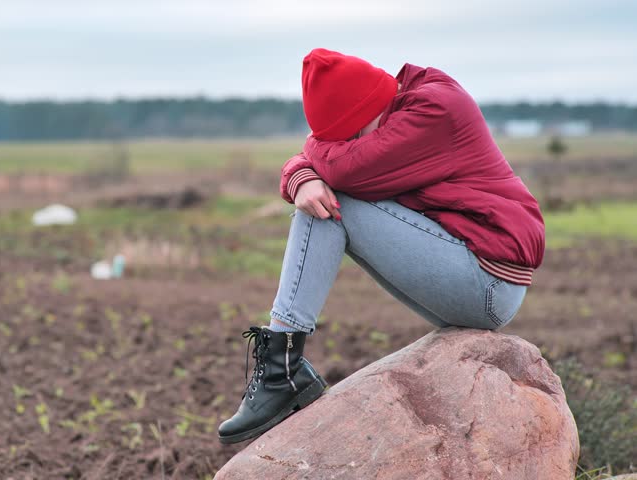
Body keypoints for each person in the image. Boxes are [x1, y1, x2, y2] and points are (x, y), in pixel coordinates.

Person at [218, 48, 545, 445]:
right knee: (322, 195)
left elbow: (339, 168)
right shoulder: (405, 101)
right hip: (468, 268)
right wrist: (302, 175)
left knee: (328, 203)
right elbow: (328, 162)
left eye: (353, 135)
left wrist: (306, 166)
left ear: (366, 109)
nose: (353, 143)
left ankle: (282, 371)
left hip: (488, 282)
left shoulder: (434, 111)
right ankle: (283, 367)